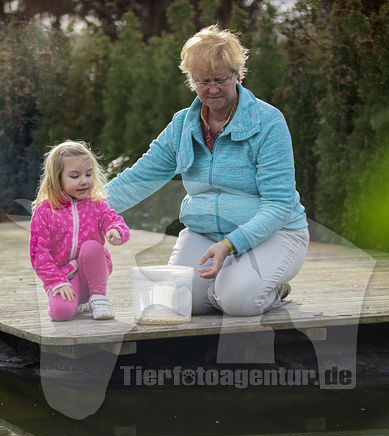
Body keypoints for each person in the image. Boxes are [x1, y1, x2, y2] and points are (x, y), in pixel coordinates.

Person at [107, 25, 309, 317]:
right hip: (205, 233)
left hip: (275, 233)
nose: (212, 89)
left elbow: (278, 205)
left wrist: (230, 245)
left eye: (220, 80)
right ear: (192, 80)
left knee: (239, 301)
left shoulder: (268, 122)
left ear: (237, 75)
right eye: (203, 81)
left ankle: (268, 288)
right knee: (181, 303)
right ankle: (233, 282)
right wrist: (80, 207)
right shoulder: (182, 125)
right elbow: (141, 175)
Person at [30, 140, 130, 321]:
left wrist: (116, 230)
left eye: (88, 174)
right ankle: (77, 302)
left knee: (91, 246)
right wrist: (56, 281)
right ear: (57, 177)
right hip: (64, 278)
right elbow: (38, 253)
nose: (84, 181)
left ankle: (99, 298)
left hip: (93, 273)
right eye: (75, 176)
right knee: (60, 314)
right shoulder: (44, 211)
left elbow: (115, 221)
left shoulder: (97, 204)